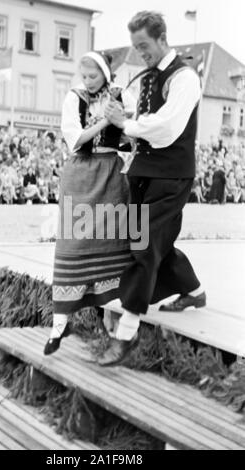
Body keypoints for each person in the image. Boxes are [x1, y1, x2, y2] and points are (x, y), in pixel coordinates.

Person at [99, 11, 206, 366]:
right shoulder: (149, 76)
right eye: (136, 46)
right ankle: (194, 291)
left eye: (144, 45)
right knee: (152, 240)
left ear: (162, 39)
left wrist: (126, 123)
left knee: (144, 245)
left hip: (171, 174)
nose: (140, 52)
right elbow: (140, 123)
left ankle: (126, 332)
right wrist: (118, 116)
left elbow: (167, 127)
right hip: (144, 170)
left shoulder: (185, 77)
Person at [44, 50, 136, 355]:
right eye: (84, 76)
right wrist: (104, 122)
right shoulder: (74, 97)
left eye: (93, 76)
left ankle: (113, 318)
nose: (87, 81)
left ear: (106, 75)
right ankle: (59, 323)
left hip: (111, 173)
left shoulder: (123, 96)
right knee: (71, 245)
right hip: (80, 175)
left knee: (115, 243)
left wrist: (121, 122)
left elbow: (134, 138)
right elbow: (77, 138)